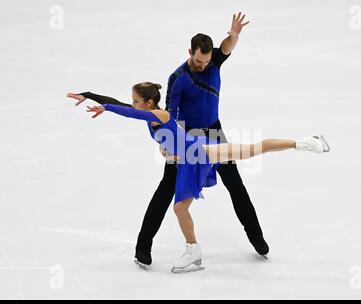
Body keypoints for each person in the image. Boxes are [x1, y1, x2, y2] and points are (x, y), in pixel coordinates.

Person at [67, 12, 271, 269]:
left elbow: (227, 47)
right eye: (198, 60)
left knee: (235, 184)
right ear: (190, 52)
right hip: (187, 139)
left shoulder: (213, 62)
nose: (203, 66)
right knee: (166, 191)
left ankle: (257, 239)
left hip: (215, 133)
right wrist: (167, 146)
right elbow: (168, 118)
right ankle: (143, 248)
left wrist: (234, 34)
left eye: (206, 61)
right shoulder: (178, 79)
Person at [81, 82, 330, 272]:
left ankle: (303, 143)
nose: (132, 104)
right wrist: (91, 95)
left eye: (136, 101)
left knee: (182, 207)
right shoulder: (150, 116)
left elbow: (130, 113)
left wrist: (107, 108)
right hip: (200, 150)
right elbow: (126, 108)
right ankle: (303, 143)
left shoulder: (160, 115)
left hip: (196, 156)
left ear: (148, 103)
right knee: (249, 151)